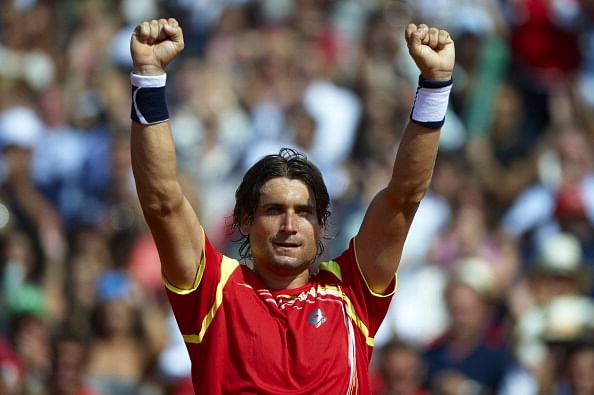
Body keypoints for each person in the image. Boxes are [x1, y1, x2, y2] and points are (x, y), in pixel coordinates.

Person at [129, 17, 455, 394]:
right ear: (245, 221)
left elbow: (405, 196)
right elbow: (162, 202)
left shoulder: (352, 293)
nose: (289, 224)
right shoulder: (214, 290)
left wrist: (435, 85)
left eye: (303, 212)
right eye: (273, 210)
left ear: (321, 226)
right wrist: (149, 76)